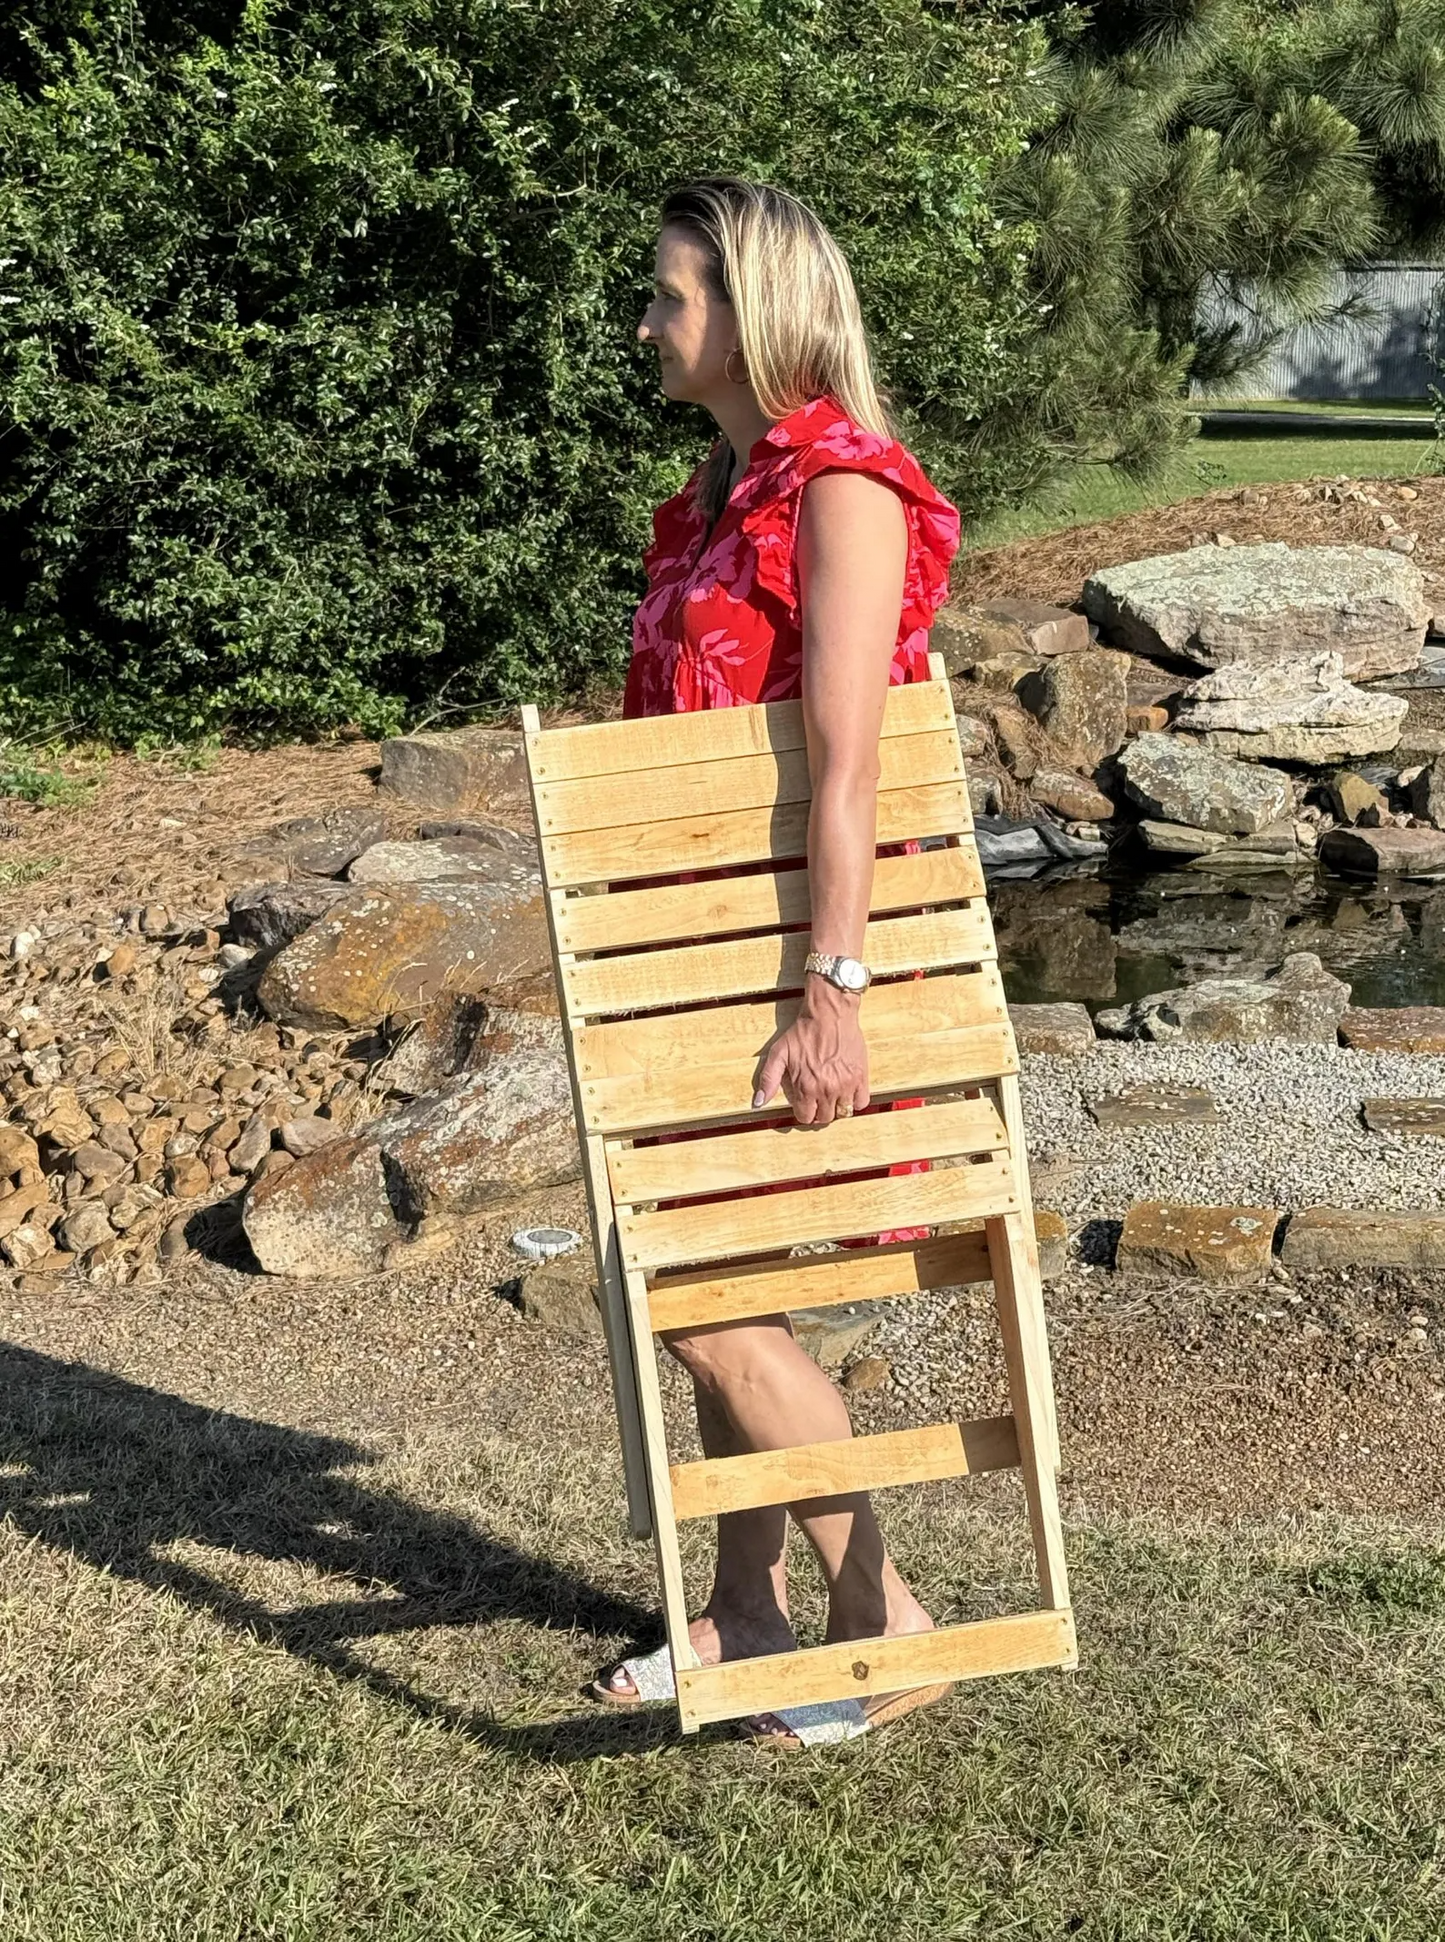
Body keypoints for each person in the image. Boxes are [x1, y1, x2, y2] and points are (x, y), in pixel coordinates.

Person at [593, 178, 962, 1745]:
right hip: (694, 951)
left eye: (669, 296)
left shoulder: (844, 489)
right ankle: (743, 1611)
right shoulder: (715, 499)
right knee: (714, 1275)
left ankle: (888, 1614)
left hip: (793, 963)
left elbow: (854, 766)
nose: (645, 324)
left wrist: (835, 993)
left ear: (751, 314)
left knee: (695, 1297)